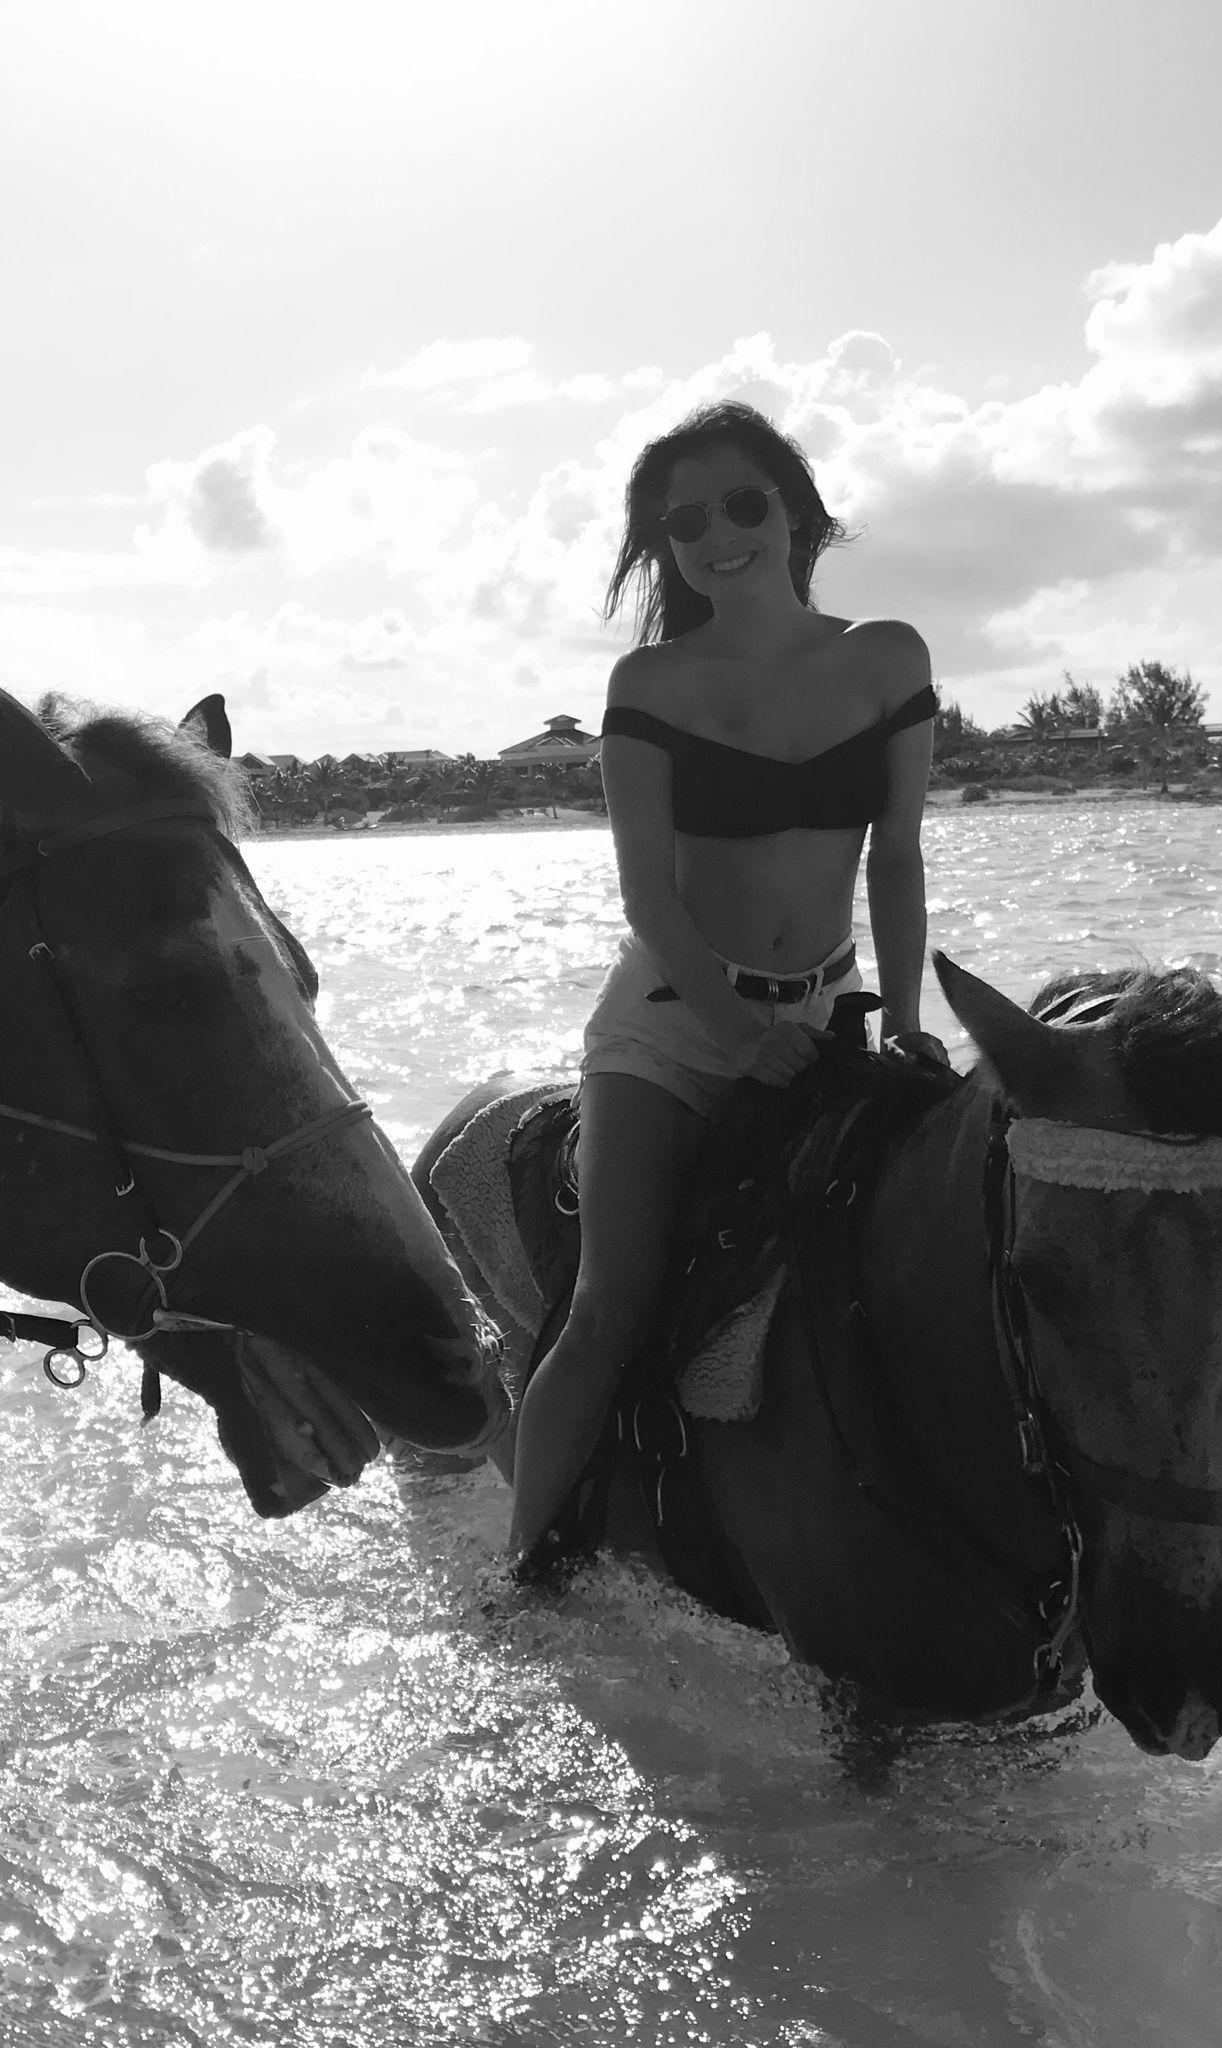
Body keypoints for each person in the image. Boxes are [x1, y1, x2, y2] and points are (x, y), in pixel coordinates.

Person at [508, 400, 942, 1563]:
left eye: (740, 503)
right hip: (673, 1023)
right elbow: (648, 897)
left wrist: (906, 1024)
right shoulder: (649, 683)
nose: (716, 534)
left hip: (825, 1009)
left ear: (794, 510)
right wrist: (736, 1039)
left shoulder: (886, 655)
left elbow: (895, 854)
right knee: (612, 1304)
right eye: (681, 521)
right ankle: (521, 1571)